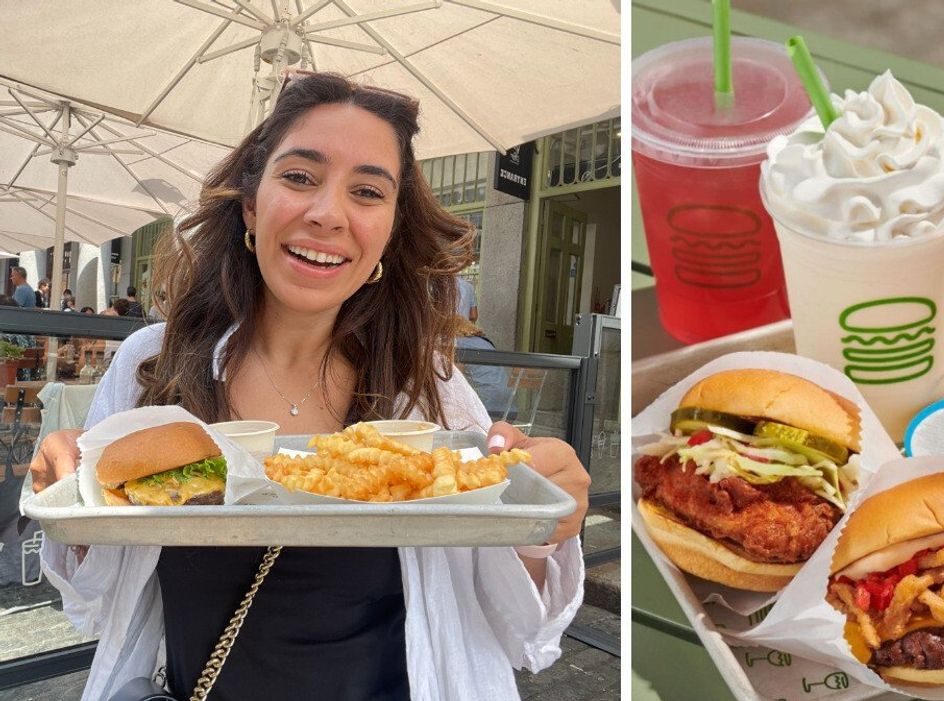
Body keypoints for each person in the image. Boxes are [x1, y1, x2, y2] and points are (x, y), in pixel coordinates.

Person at [30, 71, 589, 701]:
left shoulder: (424, 389)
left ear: (390, 229)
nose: (327, 214)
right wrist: (70, 500)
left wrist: (542, 529)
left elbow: (516, 626)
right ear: (251, 205)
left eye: (368, 192)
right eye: (299, 177)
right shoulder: (153, 366)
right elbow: (98, 595)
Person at [454, 316, 513, 418]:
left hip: (485, 409)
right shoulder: (485, 342)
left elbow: (454, 379)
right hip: (509, 408)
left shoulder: (459, 344)